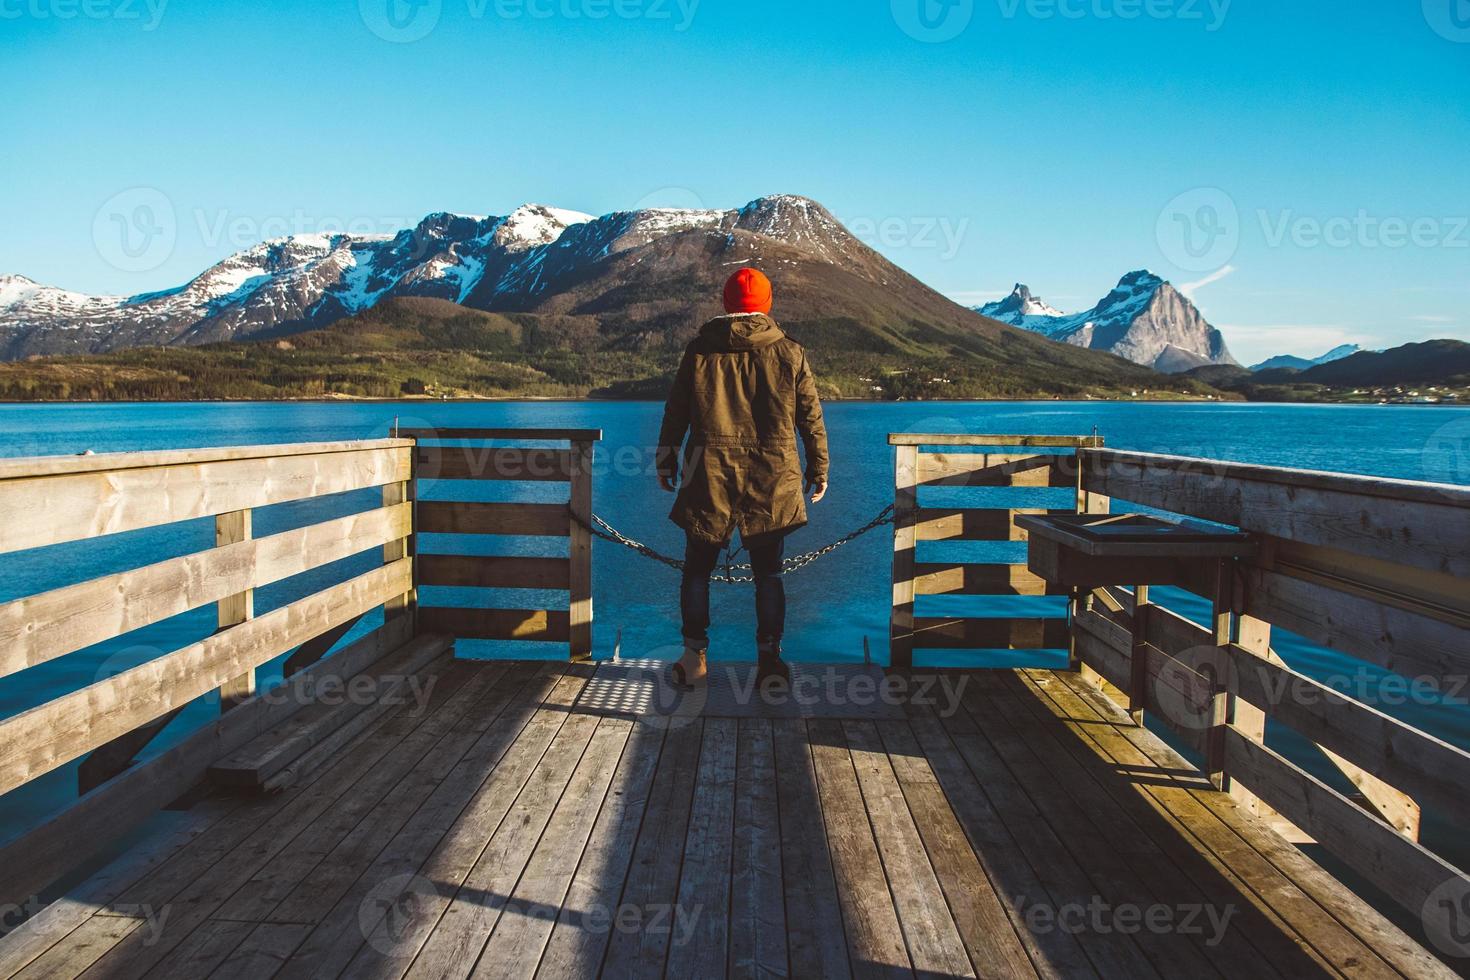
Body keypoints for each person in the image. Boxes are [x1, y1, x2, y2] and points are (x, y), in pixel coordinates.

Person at [657, 267, 829, 687]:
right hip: (771, 476)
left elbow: (675, 413)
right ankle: (770, 662)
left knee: (697, 570)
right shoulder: (790, 353)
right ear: (766, 305)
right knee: (768, 573)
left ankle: (693, 658)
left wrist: (667, 462)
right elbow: (810, 418)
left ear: (726, 303)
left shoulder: (699, 352)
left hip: (709, 475)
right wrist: (819, 468)